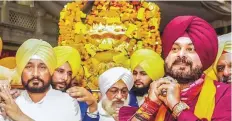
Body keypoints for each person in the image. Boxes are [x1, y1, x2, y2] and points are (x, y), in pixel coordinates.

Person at [119, 16, 231, 121]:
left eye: (190, 49)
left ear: (204, 57)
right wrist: (149, 106)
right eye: (174, 48)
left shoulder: (224, 94)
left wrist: (177, 107)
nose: (181, 55)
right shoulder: (155, 93)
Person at [0, 39, 81, 121]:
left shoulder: (68, 103)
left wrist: (20, 116)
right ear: (21, 71)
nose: (35, 74)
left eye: (42, 67)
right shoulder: (11, 102)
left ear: (51, 71)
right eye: (29, 67)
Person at [52, 46, 98, 120]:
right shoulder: (33, 96)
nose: (65, 78)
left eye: (69, 74)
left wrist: (93, 106)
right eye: (60, 71)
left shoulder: (72, 101)